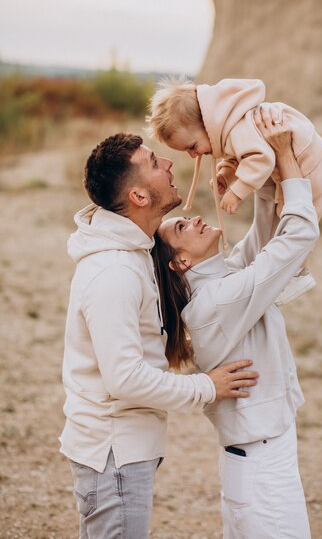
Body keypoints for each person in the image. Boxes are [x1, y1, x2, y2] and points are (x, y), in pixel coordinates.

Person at [59, 133, 259, 539]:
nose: (168, 164)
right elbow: (125, 379)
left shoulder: (135, 250)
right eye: (154, 163)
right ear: (138, 196)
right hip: (113, 451)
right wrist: (207, 387)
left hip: (124, 449)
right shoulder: (114, 272)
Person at [152, 109, 319, 539]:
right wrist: (286, 160)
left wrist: (260, 184)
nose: (196, 218)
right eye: (183, 226)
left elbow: (261, 242)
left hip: (259, 453)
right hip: (261, 462)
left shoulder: (218, 285)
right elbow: (296, 238)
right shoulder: (217, 301)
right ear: (181, 261)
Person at [147, 76, 322, 306]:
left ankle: (296, 272)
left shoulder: (238, 129)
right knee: (277, 223)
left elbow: (260, 158)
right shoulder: (228, 127)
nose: (194, 155)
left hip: (307, 159)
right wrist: (226, 174)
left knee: (296, 219)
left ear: (207, 123)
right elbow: (239, 156)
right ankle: (284, 270)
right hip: (293, 160)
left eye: (192, 147)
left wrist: (237, 191)